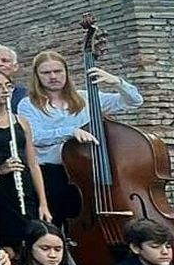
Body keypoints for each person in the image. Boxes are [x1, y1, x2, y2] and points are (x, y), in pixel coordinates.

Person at [18, 49, 142, 225]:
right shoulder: (28, 104)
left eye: (58, 71)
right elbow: (34, 137)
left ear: (66, 72)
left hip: (86, 171)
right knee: (52, 224)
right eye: (46, 72)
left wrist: (118, 82)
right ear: (37, 76)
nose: (53, 76)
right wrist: (70, 131)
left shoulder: (86, 97)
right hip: (50, 173)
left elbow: (134, 101)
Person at [0, 68, 52, 248]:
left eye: (8, 86)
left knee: (31, 240)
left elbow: (33, 164)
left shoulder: (21, 121)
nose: (5, 91)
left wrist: (43, 203)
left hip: (24, 189)